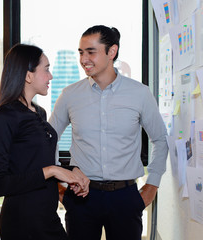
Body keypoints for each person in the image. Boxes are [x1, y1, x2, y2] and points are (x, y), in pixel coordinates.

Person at [49, 25, 169, 240]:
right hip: (80, 197)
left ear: (111, 52)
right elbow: (48, 140)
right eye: (81, 52)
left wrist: (152, 185)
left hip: (125, 198)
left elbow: (160, 139)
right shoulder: (69, 95)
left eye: (91, 52)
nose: (84, 59)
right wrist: (58, 186)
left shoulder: (139, 93)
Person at [0, 43, 89, 240]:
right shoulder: (4, 115)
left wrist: (72, 170)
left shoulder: (39, 112)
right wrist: (52, 171)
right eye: (46, 69)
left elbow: (36, 161)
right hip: (21, 223)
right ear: (28, 75)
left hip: (46, 217)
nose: (51, 76)